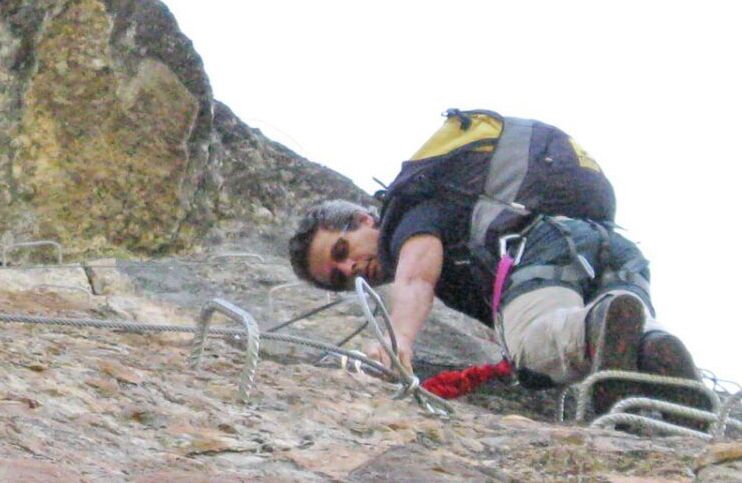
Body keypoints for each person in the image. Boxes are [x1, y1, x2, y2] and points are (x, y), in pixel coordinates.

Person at [288, 109, 695, 413]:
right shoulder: (453, 204)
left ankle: (601, 324)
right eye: (338, 279)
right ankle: (662, 361)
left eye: (341, 251)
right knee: (636, 335)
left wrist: (398, 345)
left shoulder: (410, 216)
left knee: (536, 345)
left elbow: (416, 280)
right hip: (613, 247)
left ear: (363, 220)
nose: (350, 270)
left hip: (541, 248)